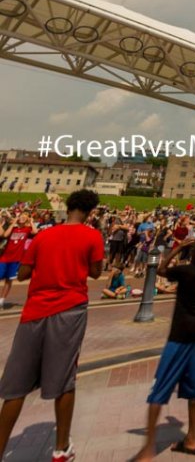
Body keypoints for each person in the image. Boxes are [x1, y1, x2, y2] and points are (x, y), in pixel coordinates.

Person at [0, 190, 104, 462]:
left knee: (15, 387)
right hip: (70, 310)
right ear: (91, 212)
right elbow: (96, 271)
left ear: (67, 207)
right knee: (65, 379)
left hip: (34, 311)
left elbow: (22, 274)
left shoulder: (43, 235)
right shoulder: (92, 235)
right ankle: (61, 449)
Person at [133, 234, 195, 461]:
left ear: (194, 251)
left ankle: (148, 449)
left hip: (179, 335)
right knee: (194, 391)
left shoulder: (185, 272)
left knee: (159, 390)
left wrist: (178, 249)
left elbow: (160, 270)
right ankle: (193, 438)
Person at [0, 212, 36, 308]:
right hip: (5, 257)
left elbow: (35, 232)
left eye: (25, 217)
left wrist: (31, 221)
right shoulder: (13, 228)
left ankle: (1, 300)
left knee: (8, 280)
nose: (22, 218)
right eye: (21, 217)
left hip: (15, 259)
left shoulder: (27, 229)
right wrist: (13, 223)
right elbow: (5, 235)